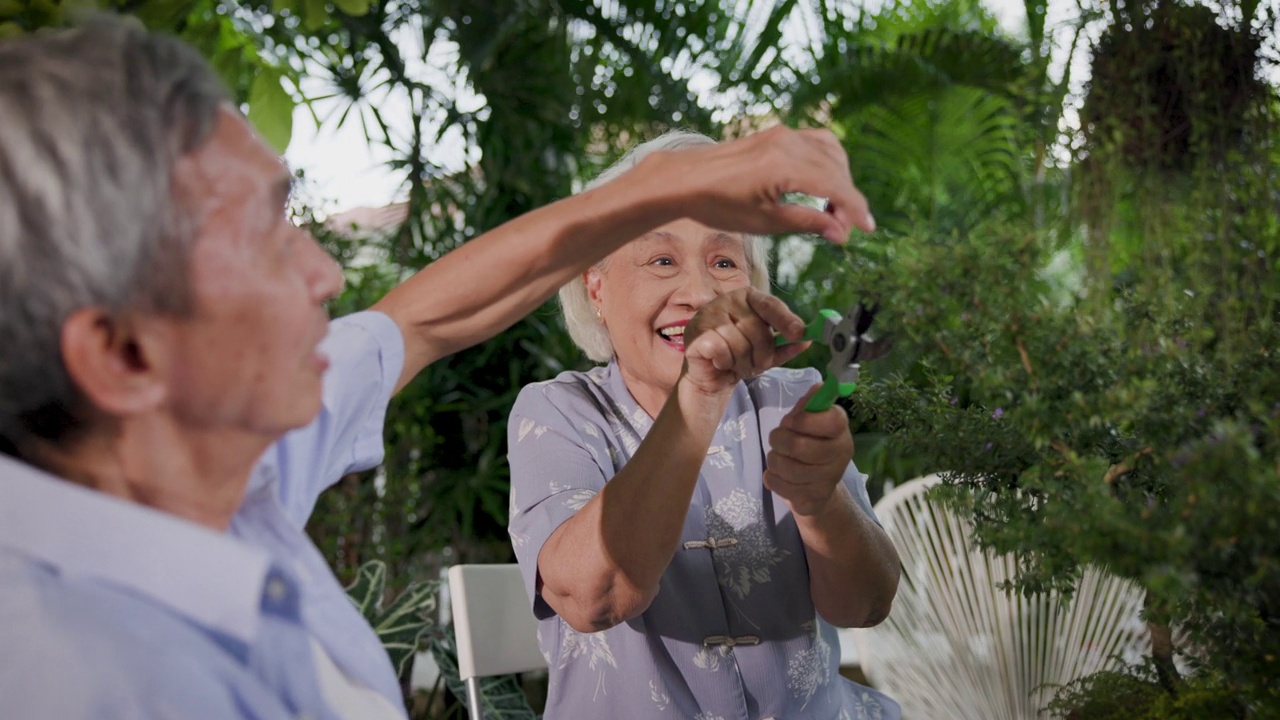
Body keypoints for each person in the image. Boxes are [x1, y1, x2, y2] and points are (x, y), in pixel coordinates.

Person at [0, 19, 875, 720]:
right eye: (264, 238)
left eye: (724, 260)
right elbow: (594, 590)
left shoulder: (208, 451)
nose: (328, 275)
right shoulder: (88, 676)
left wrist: (659, 187)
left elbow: (420, 317)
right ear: (124, 355)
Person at [507, 130, 902, 720]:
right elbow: (595, 598)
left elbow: (867, 603)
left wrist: (820, 503)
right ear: (596, 286)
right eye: (661, 260)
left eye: (724, 261)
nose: (698, 292)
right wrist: (699, 394)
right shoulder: (558, 414)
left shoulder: (791, 401)